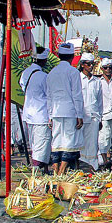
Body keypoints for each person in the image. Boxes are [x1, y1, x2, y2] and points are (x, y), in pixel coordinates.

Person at [46, 43, 85, 175]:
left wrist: (50, 116)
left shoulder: (51, 73)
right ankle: (61, 171)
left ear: (58, 55)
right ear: (73, 57)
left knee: (56, 141)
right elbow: (77, 95)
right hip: (70, 110)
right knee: (69, 141)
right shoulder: (73, 72)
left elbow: (49, 96)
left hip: (56, 111)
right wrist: (80, 114)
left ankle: (56, 169)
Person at [21, 47, 52, 172]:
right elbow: (49, 96)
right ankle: (36, 173)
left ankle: (42, 170)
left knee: (35, 145)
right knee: (41, 146)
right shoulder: (43, 76)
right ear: (43, 60)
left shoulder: (25, 73)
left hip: (29, 114)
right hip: (41, 115)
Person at [78, 53, 103, 169]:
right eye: (88, 64)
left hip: (94, 116)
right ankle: (80, 165)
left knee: (93, 143)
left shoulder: (97, 81)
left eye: (92, 64)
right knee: (80, 142)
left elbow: (100, 102)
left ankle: (93, 166)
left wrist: (100, 117)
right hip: (81, 116)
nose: (90, 66)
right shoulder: (77, 79)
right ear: (83, 65)